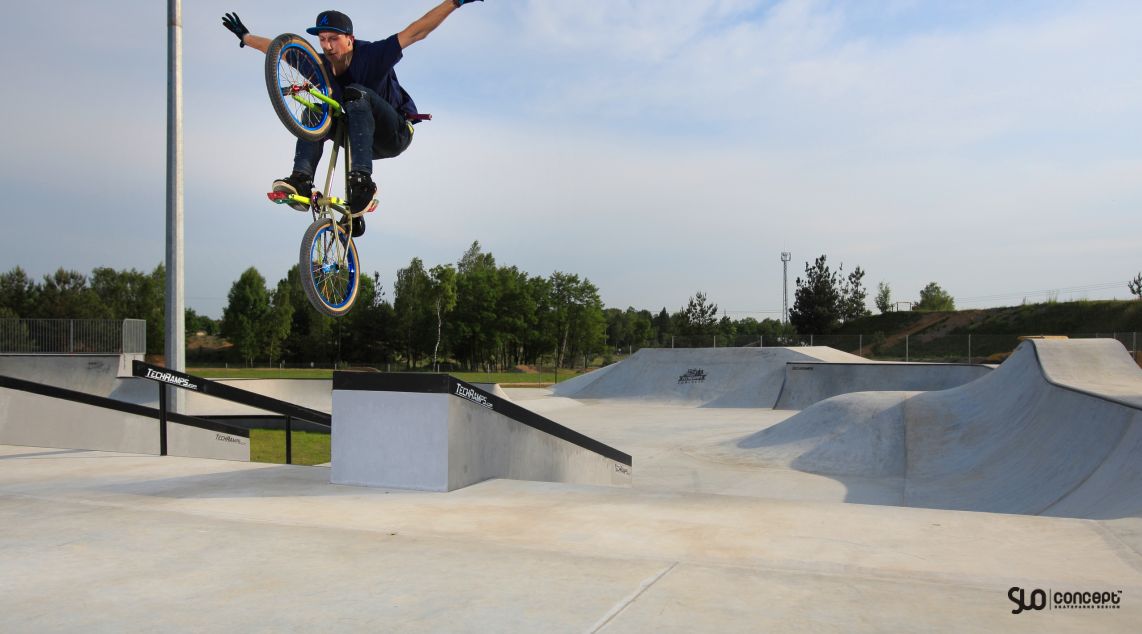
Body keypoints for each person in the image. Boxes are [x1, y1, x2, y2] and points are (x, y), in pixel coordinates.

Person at [222, 1, 482, 236]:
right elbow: (280, 51)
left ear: (350, 38)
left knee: (356, 94)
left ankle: (361, 184)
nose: (326, 46)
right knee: (316, 110)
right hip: (360, 137)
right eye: (323, 39)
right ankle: (301, 180)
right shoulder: (319, 67)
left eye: (333, 39)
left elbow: (416, 31)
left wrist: (454, 2)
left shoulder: (371, 55)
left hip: (395, 132)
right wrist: (246, 37)